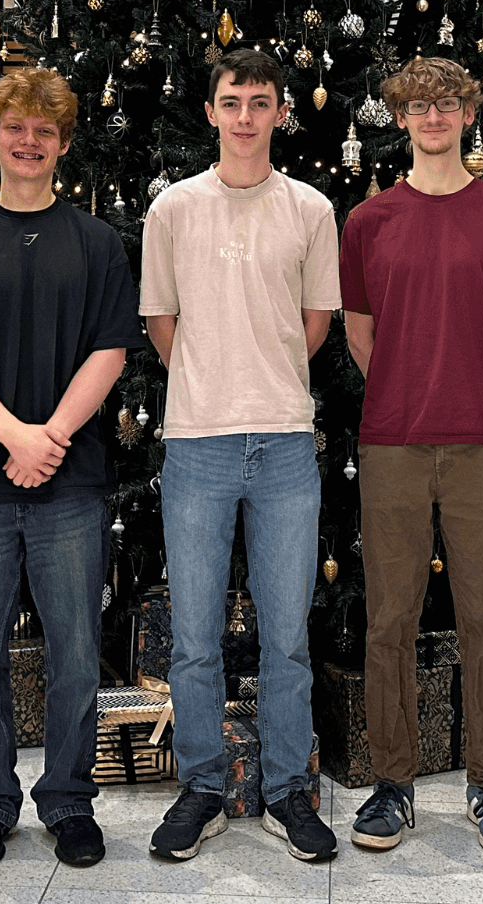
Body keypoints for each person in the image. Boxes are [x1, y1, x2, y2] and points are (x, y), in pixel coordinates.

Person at [0, 67, 141, 871]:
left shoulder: (94, 244)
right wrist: (14, 435)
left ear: (62, 144)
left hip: (72, 483)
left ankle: (68, 801)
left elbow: (111, 350)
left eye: (43, 131)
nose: (28, 142)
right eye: (14, 129)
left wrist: (48, 434)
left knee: (76, 655)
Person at [139, 48, 343, 864]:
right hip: (197, 442)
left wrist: (260, 377)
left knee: (287, 634)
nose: (246, 115)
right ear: (212, 111)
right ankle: (203, 786)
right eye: (233, 100)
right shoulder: (173, 210)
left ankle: (289, 790)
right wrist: (214, 380)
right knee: (193, 636)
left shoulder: (311, 209)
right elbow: (161, 321)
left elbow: (315, 322)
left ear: (281, 112)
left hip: (286, 440)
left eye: (261, 101)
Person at [339, 55, 483, 857]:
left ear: (467, 114)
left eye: (448, 104)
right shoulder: (367, 221)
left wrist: (478, 387)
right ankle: (394, 783)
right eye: (419, 106)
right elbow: (359, 332)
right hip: (391, 441)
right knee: (389, 619)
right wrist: (404, 385)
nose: (433, 117)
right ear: (399, 118)